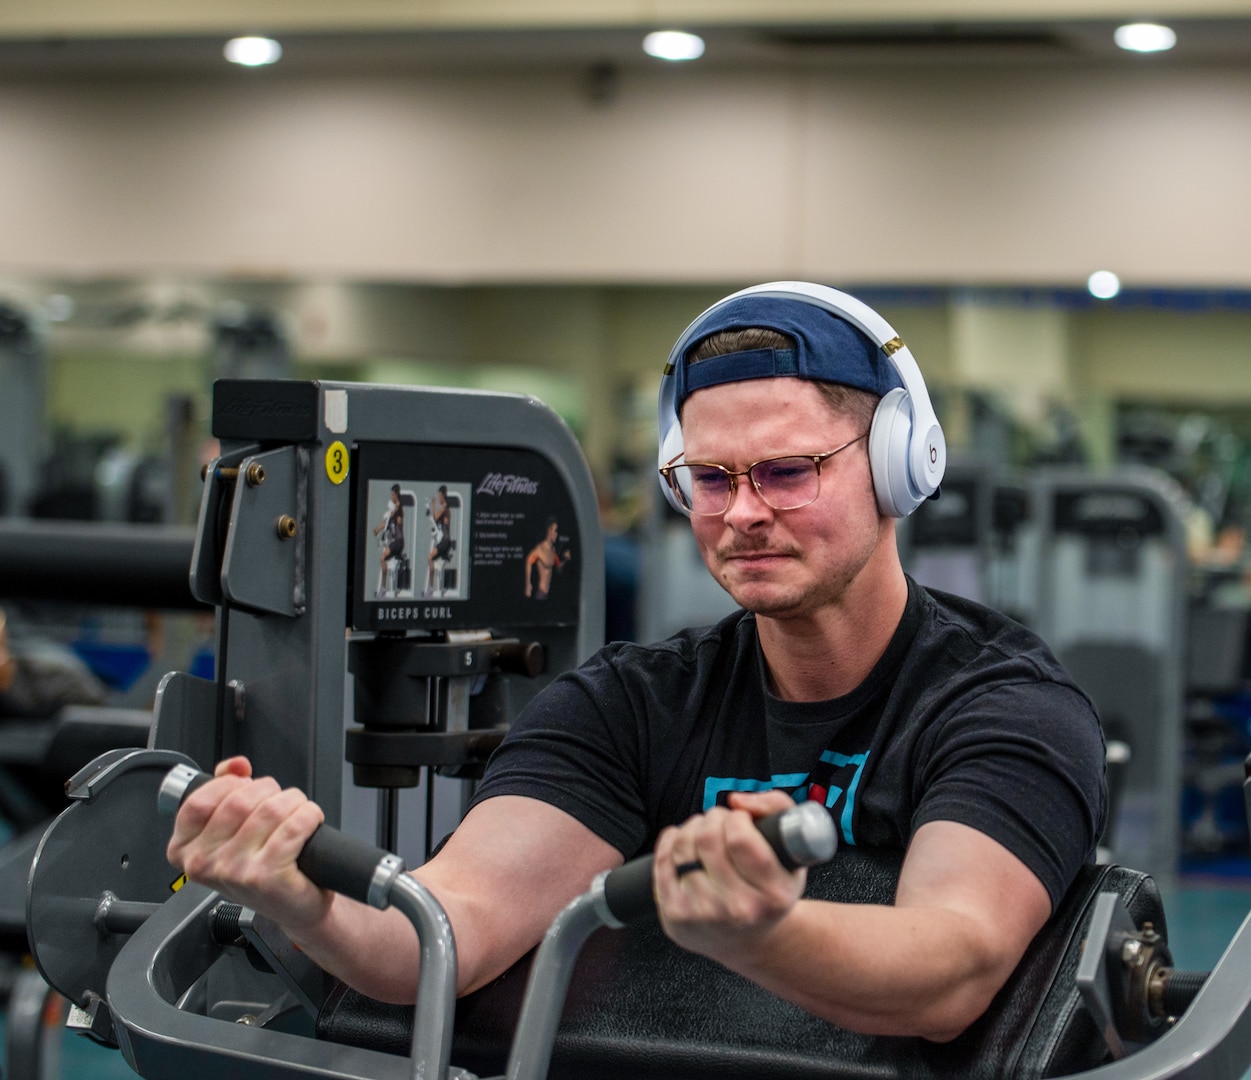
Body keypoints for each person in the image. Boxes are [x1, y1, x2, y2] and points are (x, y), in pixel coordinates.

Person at [167, 285, 1106, 1043]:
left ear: (900, 465)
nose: (740, 513)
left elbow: (951, 968)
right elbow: (436, 937)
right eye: (708, 479)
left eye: (786, 472)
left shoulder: (1002, 705)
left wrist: (766, 932)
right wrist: (297, 894)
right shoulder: (631, 703)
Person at [372, 484, 405, 598]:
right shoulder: (393, 510)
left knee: (382, 558)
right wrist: (377, 528)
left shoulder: (398, 508)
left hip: (399, 542)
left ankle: (383, 589)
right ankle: (384, 588)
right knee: (384, 559)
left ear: (396, 495)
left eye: (392, 494)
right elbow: (385, 522)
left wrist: (393, 510)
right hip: (394, 542)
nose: (391, 496)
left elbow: (394, 513)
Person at [523, 518, 568, 599]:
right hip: (541, 592)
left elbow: (559, 568)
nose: (556, 534)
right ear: (549, 531)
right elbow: (528, 561)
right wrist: (528, 584)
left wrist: (565, 559)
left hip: (549, 594)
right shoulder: (540, 549)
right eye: (555, 531)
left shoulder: (553, 550)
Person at [426, 486, 454, 599]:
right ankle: (433, 588)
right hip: (443, 541)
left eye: (439, 495)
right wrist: (433, 505)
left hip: (446, 542)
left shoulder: (445, 507)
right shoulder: (442, 507)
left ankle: (431, 589)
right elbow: (434, 518)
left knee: (430, 557)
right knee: (433, 560)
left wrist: (433, 505)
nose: (438, 497)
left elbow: (436, 517)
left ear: (443, 495)